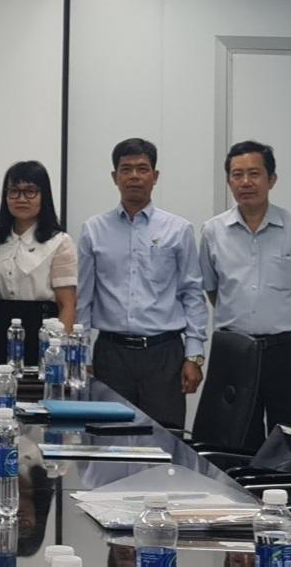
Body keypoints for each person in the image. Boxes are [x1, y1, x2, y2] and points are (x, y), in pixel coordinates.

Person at [200, 140, 291, 446]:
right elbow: (213, 289)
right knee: (233, 440)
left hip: (284, 352)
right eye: (237, 175)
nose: (245, 182)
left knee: (289, 440)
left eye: (254, 174)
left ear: (272, 179)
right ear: (229, 181)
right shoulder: (213, 231)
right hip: (233, 353)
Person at [76, 138, 207, 429]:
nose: (134, 176)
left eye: (142, 169)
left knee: (166, 439)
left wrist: (194, 357)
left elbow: (192, 295)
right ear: (115, 177)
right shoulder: (94, 230)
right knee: (108, 439)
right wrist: (82, 356)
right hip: (111, 355)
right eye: (126, 169)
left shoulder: (178, 229)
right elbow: (83, 299)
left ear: (155, 176)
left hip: (165, 355)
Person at [0, 161, 76, 367]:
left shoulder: (59, 242)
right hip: (0, 328)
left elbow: (67, 305)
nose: (21, 199)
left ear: (44, 196)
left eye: (30, 191)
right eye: (14, 191)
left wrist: (58, 352)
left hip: (43, 330)